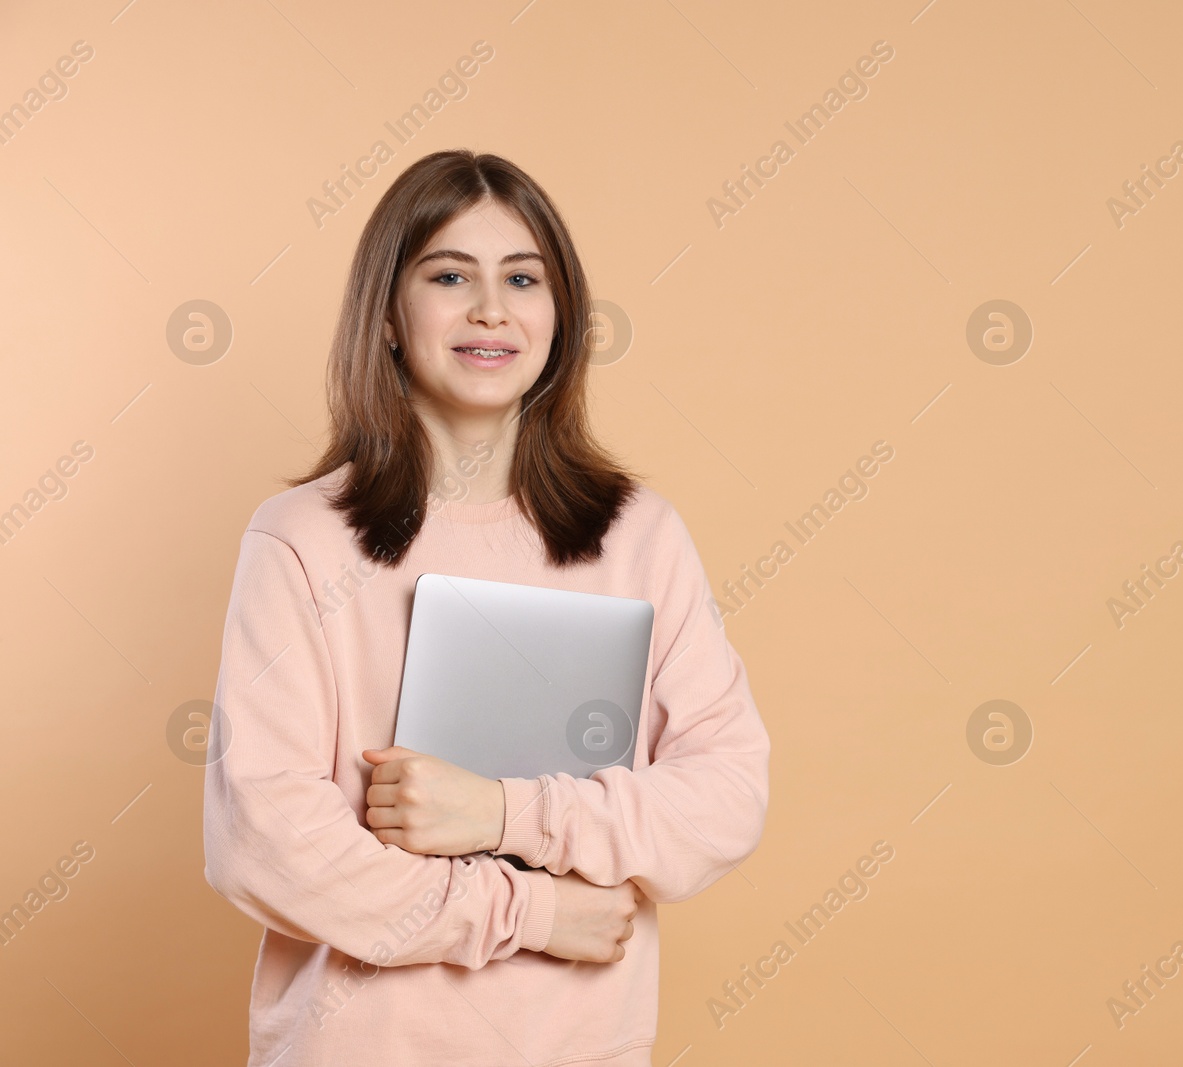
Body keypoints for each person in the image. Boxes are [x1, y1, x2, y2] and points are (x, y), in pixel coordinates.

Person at [201, 148, 770, 1066]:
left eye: (522, 278)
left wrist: (505, 814)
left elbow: (727, 795)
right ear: (387, 313)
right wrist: (535, 909)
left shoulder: (638, 536)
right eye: (449, 275)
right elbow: (263, 844)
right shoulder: (300, 541)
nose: (491, 309)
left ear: (560, 315)